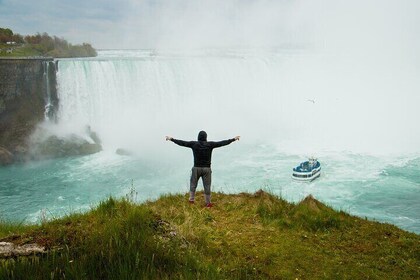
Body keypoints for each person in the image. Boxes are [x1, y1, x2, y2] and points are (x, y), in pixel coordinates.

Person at [166, 131, 240, 207]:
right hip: (206, 169)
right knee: (207, 186)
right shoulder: (210, 145)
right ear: (206, 137)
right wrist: (233, 139)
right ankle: (208, 203)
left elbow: (182, 143)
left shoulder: (193, 144)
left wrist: (172, 139)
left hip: (196, 168)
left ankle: (191, 200)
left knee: (193, 184)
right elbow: (222, 143)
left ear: (198, 137)